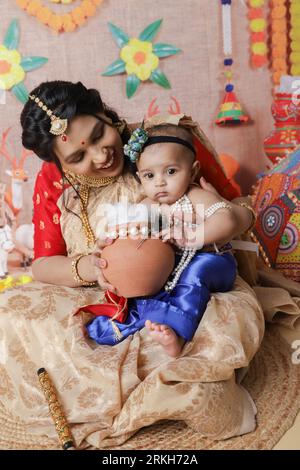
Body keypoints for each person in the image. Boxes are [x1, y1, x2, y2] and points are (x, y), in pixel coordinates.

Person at [0, 80, 267, 448]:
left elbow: (239, 209)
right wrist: (91, 269)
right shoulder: (54, 182)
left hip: (185, 277)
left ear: (105, 112)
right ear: (59, 164)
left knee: (216, 324)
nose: (99, 156)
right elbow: (43, 266)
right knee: (11, 313)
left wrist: (213, 224)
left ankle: (157, 369)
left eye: (100, 134)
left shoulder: (162, 145)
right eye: (78, 158)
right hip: (102, 291)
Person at [87, 123, 238, 357]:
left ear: (193, 171)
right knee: (146, 284)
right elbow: (128, 228)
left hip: (211, 261)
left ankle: (177, 334)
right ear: (139, 178)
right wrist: (114, 237)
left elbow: (226, 220)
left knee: (193, 276)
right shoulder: (147, 205)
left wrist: (193, 236)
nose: (160, 182)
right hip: (172, 268)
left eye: (170, 172)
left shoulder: (196, 196)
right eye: (149, 175)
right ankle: (139, 323)